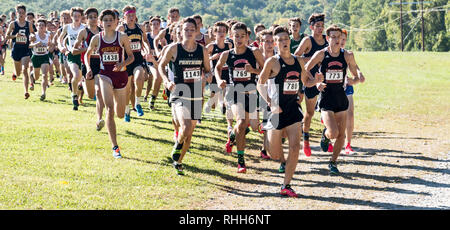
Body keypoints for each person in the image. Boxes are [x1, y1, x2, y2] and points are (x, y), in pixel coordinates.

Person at [304, 25, 364, 175]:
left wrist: (355, 79)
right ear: (327, 38)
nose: (337, 40)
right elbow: (305, 68)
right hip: (326, 97)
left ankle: (333, 162)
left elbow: (355, 72)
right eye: (333, 37)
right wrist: (315, 82)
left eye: (339, 37)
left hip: (340, 97)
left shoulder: (347, 55)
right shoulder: (321, 54)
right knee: (333, 132)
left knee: (341, 135)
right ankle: (325, 135)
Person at [157, 17, 212, 175]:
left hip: (195, 94)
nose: (188, 32)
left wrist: (208, 76)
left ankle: (178, 161)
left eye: (191, 30)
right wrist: (167, 81)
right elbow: (161, 65)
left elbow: (208, 69)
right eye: (185, 30)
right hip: (179, 92)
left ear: (196, 32)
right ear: (180, 31)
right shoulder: (173, 48)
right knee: (185, 126)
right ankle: (177, 146)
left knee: (189, 133)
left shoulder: (202, 50)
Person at [258, 26, 307, 198]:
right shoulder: (272, 62)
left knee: (295, 148)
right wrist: (270, 103)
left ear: (289, 40)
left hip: (293, 109)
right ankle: (279, 145)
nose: (283, 42)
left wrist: (316, 82)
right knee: (275, 154)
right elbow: (260, 83)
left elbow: (306, 80)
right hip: (276, 110)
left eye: (285, 38)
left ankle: (286, 185)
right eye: (279, 40)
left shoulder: (299, 61)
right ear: (276, 44)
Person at [215, 22, 265, 173]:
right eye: (236, 36)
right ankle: (241, 161)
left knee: (244, 126)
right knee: (242, 122)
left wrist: (253, 70)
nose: (239, 39)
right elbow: (217, 67)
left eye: (242, 36)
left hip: (250, 92)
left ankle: (232, 135)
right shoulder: (227, 54)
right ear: (231, 36)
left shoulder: (254, 52)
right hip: (233, 92)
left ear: (247, 37)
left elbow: (264, 70)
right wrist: (218, 80)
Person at [85, 9, 135, 158]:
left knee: (120, 114)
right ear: (101, 22)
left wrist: (123, 63)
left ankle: (124, 108)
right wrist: (88, 69)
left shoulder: (123, 37)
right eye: (105, 20)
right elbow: (87, 55)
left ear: (115, 22)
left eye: (110, 20)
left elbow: (131, 57)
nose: (107, 22)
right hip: (104, 75)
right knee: (110, 109)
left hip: (120, 76)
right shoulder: (96, 38)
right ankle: (115, 147)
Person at [294, 13, 328, 157]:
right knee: (310, 113)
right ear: (311, 27)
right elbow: (296, 57)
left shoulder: (328, 40)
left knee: (330, 109)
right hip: (310, 79)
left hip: (326, 80)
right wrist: (312, 59)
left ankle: (327, 137)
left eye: (322, 26)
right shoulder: (308, 40)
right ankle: (306, 139)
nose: (320, 29)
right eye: (317, 26)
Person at [73, 7, 105, 131]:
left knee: (99, 92)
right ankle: (81, 84)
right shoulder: (83, 32)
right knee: (91, 95)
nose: (93, 19)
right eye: (90, 17)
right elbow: (74, 50)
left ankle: (99, 119)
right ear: (86, 19)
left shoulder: (103, 31)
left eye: (95, 17)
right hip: (88, 64)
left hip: (101, 65)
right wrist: (86, 50)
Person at [117, 5, 151, 121]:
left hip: (137, 58)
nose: (131, 18)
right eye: (129, 15)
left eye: (133, 15)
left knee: (139, 76)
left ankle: (137, 103)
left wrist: (146, 50)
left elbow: (145, 41)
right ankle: (127, 110)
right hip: (126, 61)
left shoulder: (140, 27)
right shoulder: (121, 28)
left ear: (136, 16)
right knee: (127, 89)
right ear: (124, 16)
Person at [340, 29, 365, 155]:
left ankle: (348, 144)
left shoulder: (348, 54)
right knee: (334, 117)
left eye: (344, 39)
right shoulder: (326, 53)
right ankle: (327, 137)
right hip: (331, 89)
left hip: (346, 85)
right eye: (340, 38)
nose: (342, 41)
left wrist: (359, 75)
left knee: (350, 114)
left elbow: (354, 66)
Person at [59, 7, 85, 110]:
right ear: (71, 16)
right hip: (72, 55)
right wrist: (62, 47)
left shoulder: (84, 28)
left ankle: (77, 95)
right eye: (75, 16)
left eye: (79, 16)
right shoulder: (67, 27)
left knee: (79, 78)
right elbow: (60, 39)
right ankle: (74, 95)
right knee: (76, 74)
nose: (77, 18)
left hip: (82, 55)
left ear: (82, 17)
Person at [5, 4, 34, 99]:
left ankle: (26, 91)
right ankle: (15, 72)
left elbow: (32, 34)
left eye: (23, 13)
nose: (21, 15)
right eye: (19, 13)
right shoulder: (13, 24)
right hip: (16, 50)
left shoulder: (29, 24)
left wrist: (32, 37)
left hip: (25, 50)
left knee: (25, 70)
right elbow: (7, 36)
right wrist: (14, 36)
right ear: (16, 13)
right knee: (18, 73)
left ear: (25, 14)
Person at [29, 18, 54, 101]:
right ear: (36, 26)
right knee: (36, 77)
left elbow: (50, 46)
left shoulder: (48, 36)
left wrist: (50, 46)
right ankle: (32, 74)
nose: (41, 27)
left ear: (45, 27)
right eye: (39, 25)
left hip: (44, 56)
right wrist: (37, 43)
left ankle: (43, 93)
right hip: (36, 57)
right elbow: (29, 46)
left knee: (44, 75)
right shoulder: (33, 35)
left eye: (43, 25)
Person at [144, 16, 162, 110]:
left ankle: (152, 100)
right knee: (153, 78)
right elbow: (142, 47)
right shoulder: (147, 36)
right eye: (153, 24)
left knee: (158, 78)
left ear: (160, 25)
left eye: (157, 24)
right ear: (150, 25)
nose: (155, 26)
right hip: (147, 62)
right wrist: (145, 53)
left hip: (158, 62)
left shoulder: (162, 37)